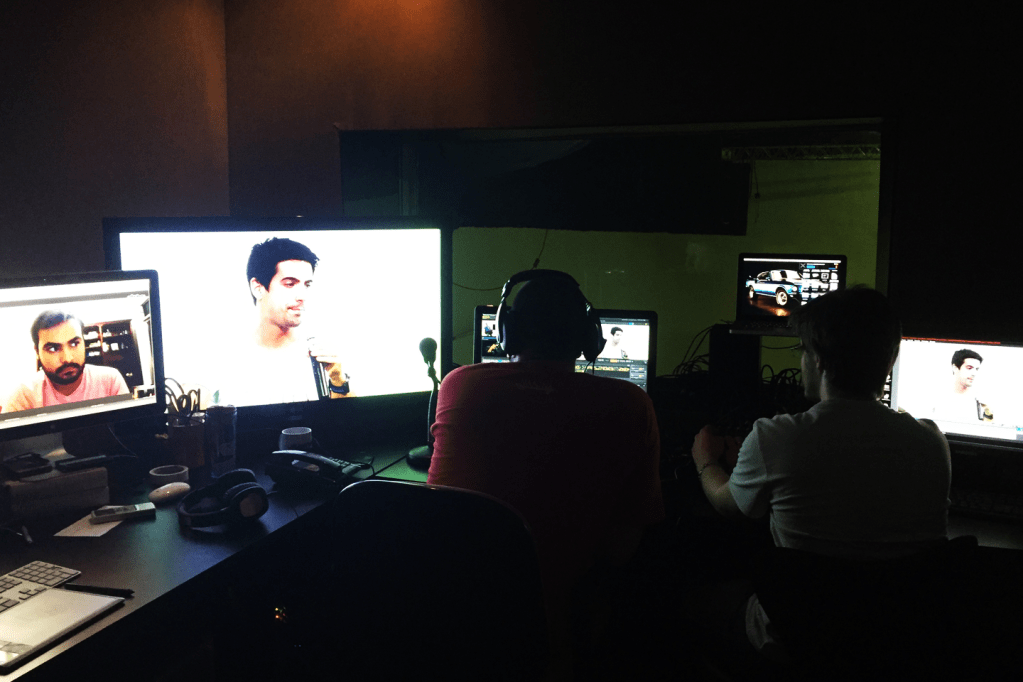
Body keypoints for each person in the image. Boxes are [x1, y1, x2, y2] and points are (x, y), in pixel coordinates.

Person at [690, 286, 951, 666]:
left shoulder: (775, 437)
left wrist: (705, 460)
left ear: (817, 360)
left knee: (689, 600)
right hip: (894, 643)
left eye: (801, 350)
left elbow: (727, 504)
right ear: (891, 358)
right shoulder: (932, 441)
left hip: (790, 639)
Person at [427, 270, 664, 677]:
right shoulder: (631, 403)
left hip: (452, 608)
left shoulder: (458, 384)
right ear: (589, 339)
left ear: (507, 332)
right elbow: (622, 548)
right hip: (557, 627)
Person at [220, 237, 350, 406]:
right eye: (290, 284)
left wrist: (338, 381)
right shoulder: (227, 358)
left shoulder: (322, 354)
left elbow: (350, 417)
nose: (302, 296)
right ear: (258, 288)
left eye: (307, 285)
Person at [2, 310, 129, 412]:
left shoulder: (110, 381)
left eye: (74, 344)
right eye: (53, 348)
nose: (67, 359)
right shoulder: (23, 396)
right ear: (37, 352)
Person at [932, 349, 993, 423]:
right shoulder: (939, 400)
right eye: (969, 368)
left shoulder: (981, 402)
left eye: (976, 369)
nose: (974, 373)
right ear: (955, 368)